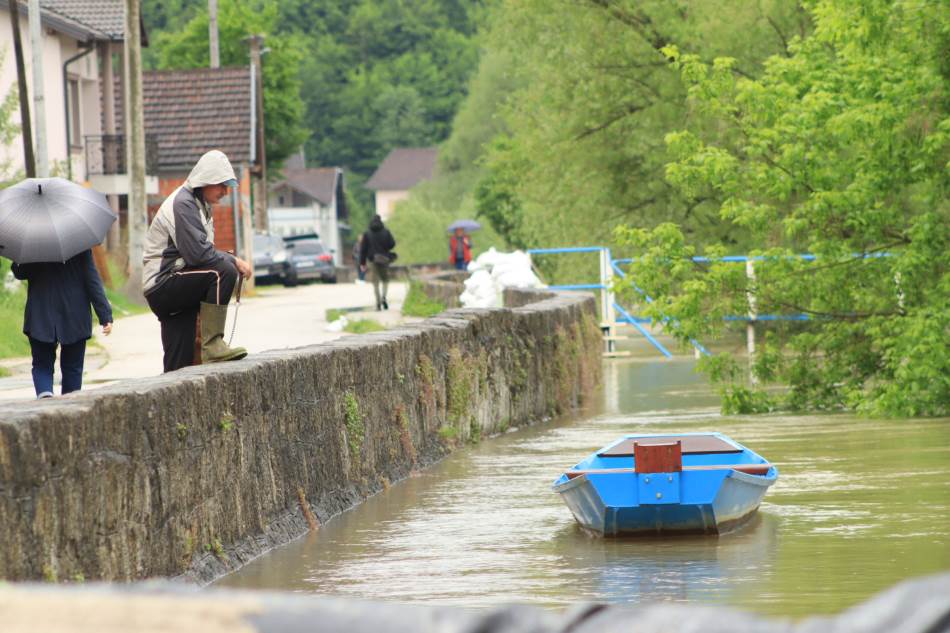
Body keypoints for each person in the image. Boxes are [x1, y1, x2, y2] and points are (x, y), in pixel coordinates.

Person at [142, 150, 252, 372]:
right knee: (223, 272)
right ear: (206, 180)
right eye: (221, 184)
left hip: (174, 285)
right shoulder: (183, 204)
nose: (224, 191)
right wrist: (233, 260)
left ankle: (169, 402)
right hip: (164, 284)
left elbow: (201, 252)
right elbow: (199, 255)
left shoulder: (199, 204)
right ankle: (213, 346)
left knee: (178, 364)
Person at [11, 250, 113, 399]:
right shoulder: (78, 243)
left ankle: (45, 397)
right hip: (74, 314)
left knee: (42, 364)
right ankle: (69, 407)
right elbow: (91, 279)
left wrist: (20, 257)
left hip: (41, 313)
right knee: (73, 367)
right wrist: (105, 315)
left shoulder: (33, 244)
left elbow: (20, 272)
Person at [359, 214, 396, 311]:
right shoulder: (386, 232)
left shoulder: (367, 234)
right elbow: (392, 244)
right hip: (384, 259)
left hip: (372, 260)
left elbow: (363, 249)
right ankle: (384, 297)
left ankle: (378, 303)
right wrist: (385, 248)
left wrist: (362, 263)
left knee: (375, 283)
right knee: (385, 280)